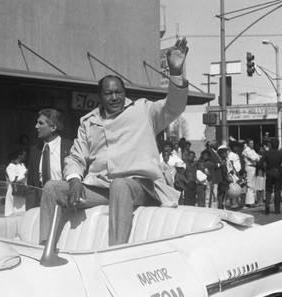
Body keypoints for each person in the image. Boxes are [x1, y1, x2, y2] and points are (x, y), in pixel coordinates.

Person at [39, 38, 189, 246]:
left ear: (124, 93)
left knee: (120, 185)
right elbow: (75, 157)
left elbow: (174, 106)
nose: (115, 97)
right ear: (100, 97)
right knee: (52, 188)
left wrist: (175, 73)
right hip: (101, 188)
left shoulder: (143, 110)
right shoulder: (89, 122)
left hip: (140, 186)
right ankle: (45, 249)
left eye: (119, 92)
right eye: (108, 93)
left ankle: (116, 252)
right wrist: (74, 179)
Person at [27, 108, 73, 209]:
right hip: (42, 207)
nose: (36, 126)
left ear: (53, 127)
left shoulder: (71, 148)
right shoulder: (35, 151)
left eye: (40, 123)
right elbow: (31, 187)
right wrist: (29, 213)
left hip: (66, 206)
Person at [261, 138, 282, 214]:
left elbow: (260, 163)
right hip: (278, 172)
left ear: (271, 144)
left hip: (269, 172)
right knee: (277, 191)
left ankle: (267, 206)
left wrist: (265, 169)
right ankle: (277, 209)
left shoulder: (266, 153)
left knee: (268, 190)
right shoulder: (280, 153)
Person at [5, 149, 28, 216]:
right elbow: (13, 179)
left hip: (23, 189)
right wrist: (25, 175)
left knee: (22, 207)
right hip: (15, 190)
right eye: (24, 155)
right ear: (19, 156)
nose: (25, 157)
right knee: (15, 208)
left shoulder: (22, 165)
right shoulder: (10, 167)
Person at [242, 139, 260, 207]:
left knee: (253, 185)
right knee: (249, 185)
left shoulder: (252, 150)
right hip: (249, 167)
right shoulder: (246, 150)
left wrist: (256, 157)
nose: (252, 144)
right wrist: (256, 157)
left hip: (254, 167)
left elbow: (258, 158)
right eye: (251, 143)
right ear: (247, 144)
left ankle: (252, 201)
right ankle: (249, 202)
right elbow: (253, 158)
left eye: (253, 143)